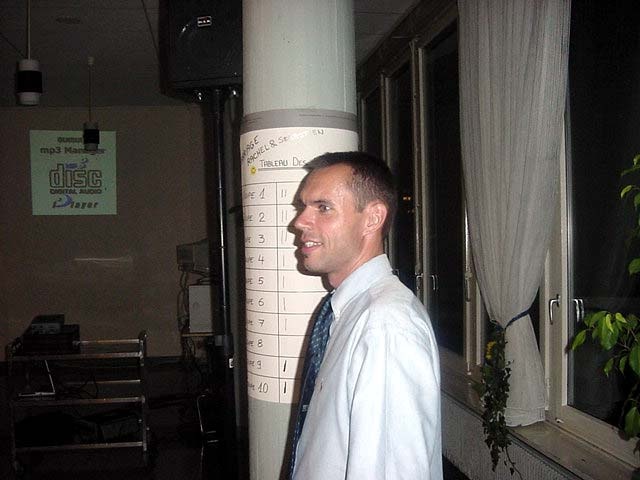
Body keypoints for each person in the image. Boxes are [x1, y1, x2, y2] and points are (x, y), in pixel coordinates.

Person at [289, 151, 442, 480]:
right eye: (304, 206)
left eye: (323, 207)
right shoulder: (348, 311)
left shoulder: (385, 327)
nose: (300, 221)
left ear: (372, 219)